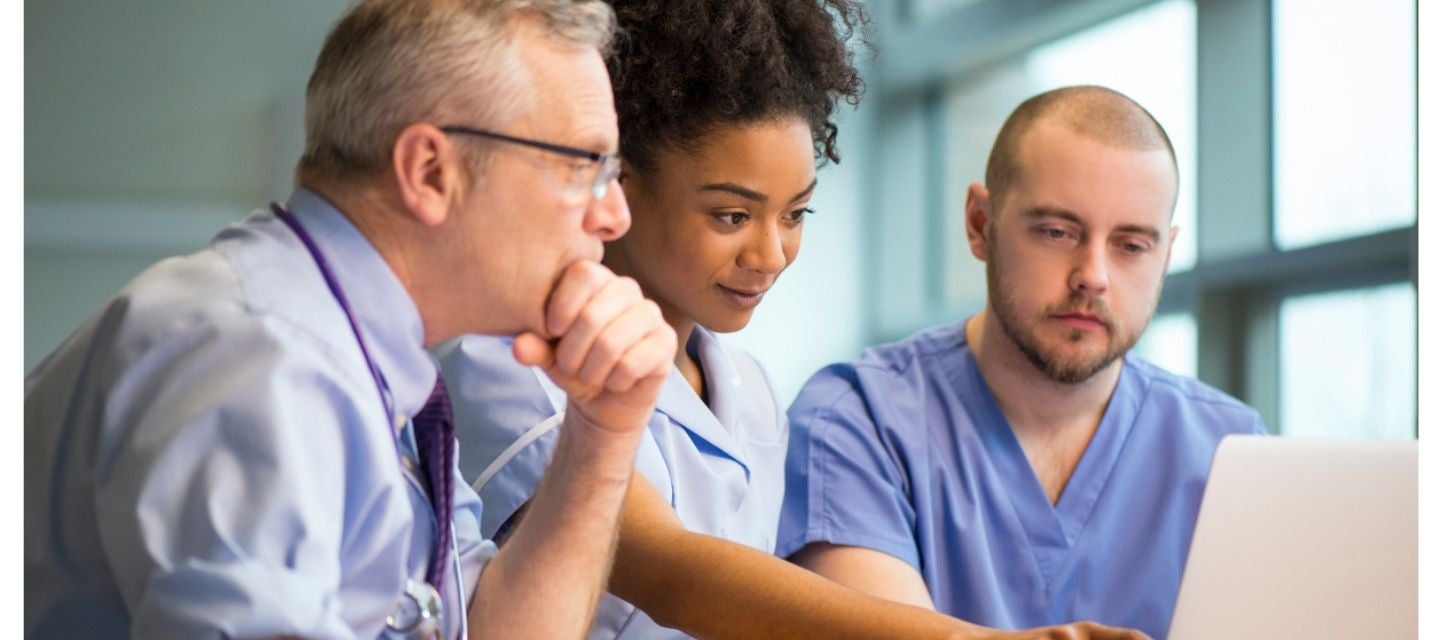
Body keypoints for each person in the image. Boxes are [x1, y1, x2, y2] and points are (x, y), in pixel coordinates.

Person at [437, 4, 1143, 639]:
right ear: (618, 184)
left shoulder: (748, 391)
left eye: (795, 213)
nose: (771, 254)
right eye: (732, 216)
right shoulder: (513, 361)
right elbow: (674, 575)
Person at [23, 1, 678, 638]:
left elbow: (492, 631)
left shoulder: (359, 360)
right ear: (429, 171)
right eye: (584, 167)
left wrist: (604, 430)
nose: (613, 216)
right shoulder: (264, 360)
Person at [777, 85, 1268, 639]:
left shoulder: (1232, 452)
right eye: (1057, 232)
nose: (1094, 275)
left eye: (1132, 245)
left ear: (1167, 255)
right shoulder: (856, 421)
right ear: (980, 224)